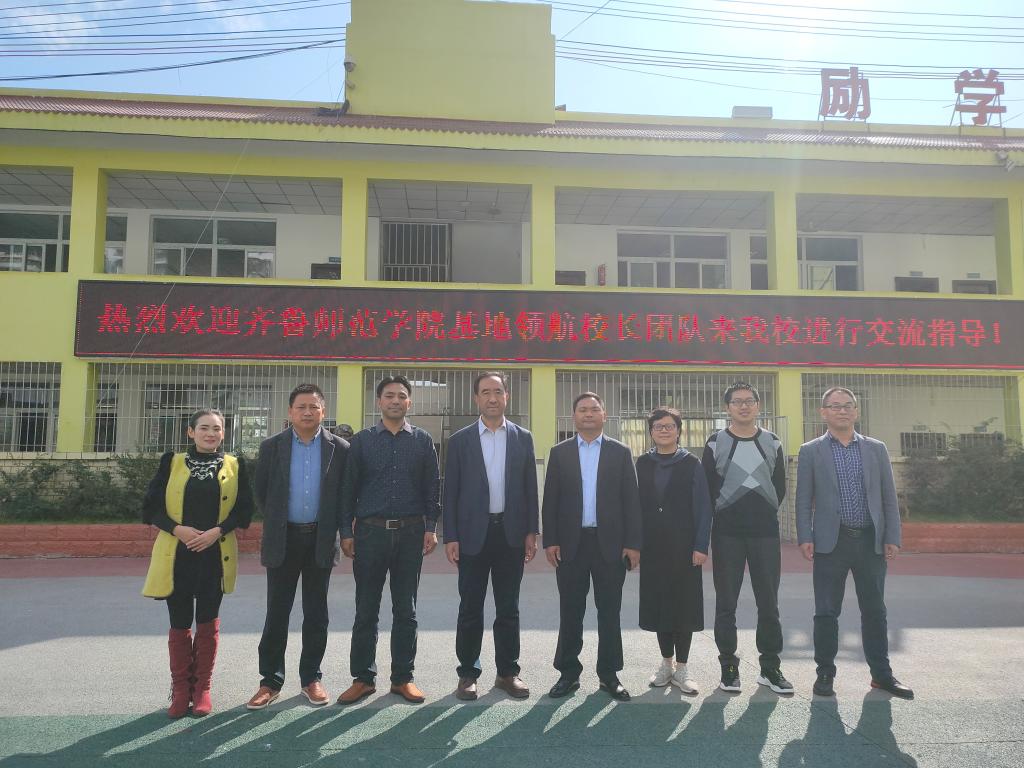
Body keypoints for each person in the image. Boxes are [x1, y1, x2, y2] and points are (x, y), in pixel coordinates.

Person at [796, 386, 914, 700]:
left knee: (875, 610)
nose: (842, 410)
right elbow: (803, 499)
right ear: (823, 412)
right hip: (830, 543)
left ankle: (881, 675)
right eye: (835, 406)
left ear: (856, 411)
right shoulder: (811, 451)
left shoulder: (876, 449)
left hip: (869, 542)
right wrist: (805, 536)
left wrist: (892, 536)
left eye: (848, 405)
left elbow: (888, 497)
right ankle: (825, 673)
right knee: (826, 612)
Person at [142, 408, 254, 718]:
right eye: (204, 428)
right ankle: (181, 690)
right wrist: (178, 529)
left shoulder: (234, 465)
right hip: (177, 556)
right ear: (190, 432)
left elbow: (244, 510)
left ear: (223, 433)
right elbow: (151, 508)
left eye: (216, 428)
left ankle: (202, 688)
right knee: (179, 622)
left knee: (207, 620)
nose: (210, 433)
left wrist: (217, 532)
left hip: (214, 556)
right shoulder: (172, 462)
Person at [338, 375, 441, 705]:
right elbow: (347, 490)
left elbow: (432, 487)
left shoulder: (422, 441)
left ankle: (403, 678)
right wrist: (346, 532)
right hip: (370, 533)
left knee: (405, 609)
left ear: (409, 402)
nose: (395, 401)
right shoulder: (362, 442)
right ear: (379, 401)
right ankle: (363, 678)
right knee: (366, 609)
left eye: (401, 396)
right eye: (389, 396)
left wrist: (431, 526)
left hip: (411, 534)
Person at [245, 384, 350, 710]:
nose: (307, 412)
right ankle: (270, 681)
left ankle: (311, 679)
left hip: (320, 538)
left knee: (316, 613)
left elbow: (344, 494)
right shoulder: (272, 446)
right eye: (301, 407)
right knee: (277, 612)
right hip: (284, 538)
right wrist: (279, 520)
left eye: (313, 407)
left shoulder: (339, 448)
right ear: (290, 412)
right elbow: (261, 491)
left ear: (323, 411)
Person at [444, 372, 539, 701]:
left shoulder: (522, 438)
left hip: (510, 534)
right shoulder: (461, 441)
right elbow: (451, 490)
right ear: (476, 398)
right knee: (470, 607)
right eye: (485, 392)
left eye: (498, 391)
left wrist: (531, 530)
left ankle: (507, 673)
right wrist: (451, 535)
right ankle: (468, 673)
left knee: (508, 607)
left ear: (507, 396)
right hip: (472, 535)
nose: (492, 398)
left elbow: (530, 488)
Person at [542, 391, 642, 701]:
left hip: (610, 545)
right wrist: (550, 541)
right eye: (582, 409)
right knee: (570, 611)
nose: (588, 414)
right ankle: (568, 674)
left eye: (594, 409)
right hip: (570, 545)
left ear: (604, 415)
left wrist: (633, 543)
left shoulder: (620, 452)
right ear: (574, 416)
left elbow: (631, 500)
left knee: (609, 612)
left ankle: (609, 675)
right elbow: (550, 500)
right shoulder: (559, 453)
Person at [702, 382, 792, 695]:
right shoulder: (716, 442)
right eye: (737, 401)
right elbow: (706, 487)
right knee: (726, 603)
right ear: (727, 407)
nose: (744, 406)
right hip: (726, 533)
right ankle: (728, 666)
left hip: (765, 533)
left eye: (749, 401)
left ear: (758, 405)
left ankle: (770, 667)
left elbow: (779, 486)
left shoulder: (772, 441)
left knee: (769, 603)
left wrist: (761, 510)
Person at [637, 407, 711, 695]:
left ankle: (682, 668)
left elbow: (703, 507)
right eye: (658, 426)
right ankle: (666, 664)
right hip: (652, 547)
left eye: (669, 426)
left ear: (679, 431)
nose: (664, 430)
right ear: (651, 432)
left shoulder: (691, 463)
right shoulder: (643, 463)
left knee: (684, 606)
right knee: (659, 605)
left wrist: (700, 545)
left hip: (684, 548)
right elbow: (635, 505)